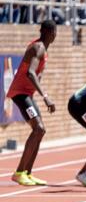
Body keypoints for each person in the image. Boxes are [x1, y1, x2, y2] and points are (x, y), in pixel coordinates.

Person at [7, 20, 57, 186]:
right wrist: (45, 96)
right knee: (38, 128)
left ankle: (27, 173)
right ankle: (19, 172)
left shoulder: (43, 49)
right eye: (54, 32)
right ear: (52, 33)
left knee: (40, 130)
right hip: (20, 93)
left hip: (26, 93)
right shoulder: (38, 48)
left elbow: (35, 74)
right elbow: (30, 73)